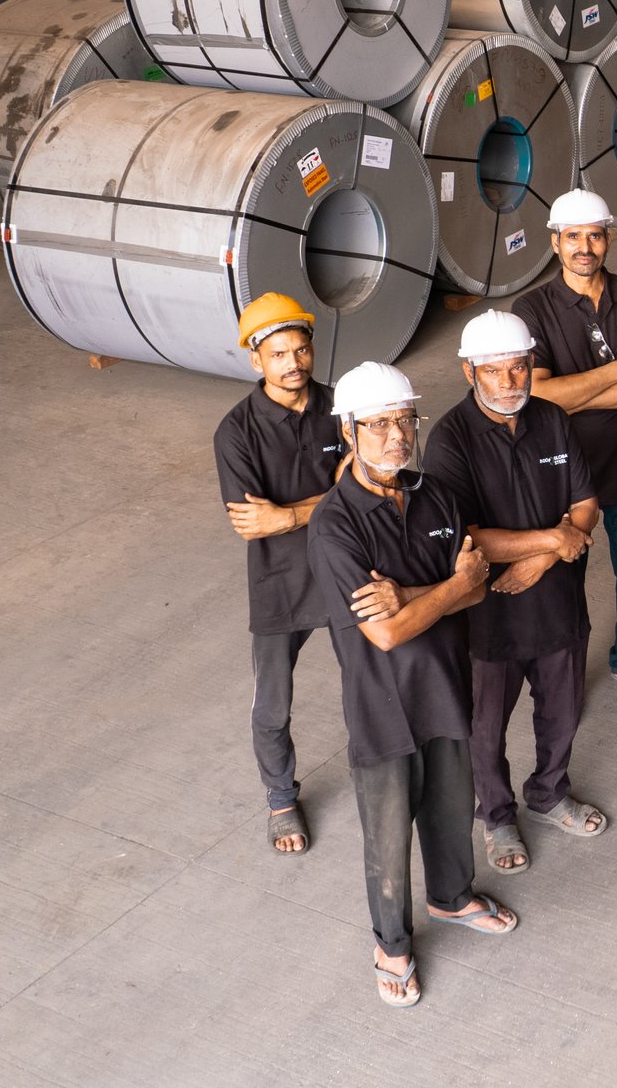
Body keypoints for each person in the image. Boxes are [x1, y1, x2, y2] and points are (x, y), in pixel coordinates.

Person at [306, 362, 517, 1008]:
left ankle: (452, 897)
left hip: (446, 685)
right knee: (389, 835)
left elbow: (479, 582)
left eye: (405, 420)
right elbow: (387, 634)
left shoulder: (436, 495)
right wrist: (448, 588)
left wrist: (419, 594)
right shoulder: (335, 523)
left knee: (453, 809)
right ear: (349, 430)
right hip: (382, 706)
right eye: (379, 424)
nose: (397, 436)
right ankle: (391, 945)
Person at [423, 310, 606, 877]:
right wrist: (552, 537)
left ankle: (550, 794)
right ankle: (497, 814)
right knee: (485, 726)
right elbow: (464, 535)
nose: (509, 382)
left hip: (556, 600)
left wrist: (545, 554)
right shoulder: (449, 439)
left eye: (519, 367)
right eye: (494, 370)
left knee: (563, 710)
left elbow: (585, 507)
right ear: (468, 371)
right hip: (487, 616)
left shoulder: (552, 419)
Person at [515, 189, 617, 709]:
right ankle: (563, 674)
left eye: (595, 235)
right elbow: (537, 395)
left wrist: (575, 394)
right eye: (573, 237)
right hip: (564, 474)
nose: (585, 246)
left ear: (608, 238)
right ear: (555, 243)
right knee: (566, 577)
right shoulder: (532, 308)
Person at [211, 293, 343, 856]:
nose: (294, 362)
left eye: (301, 349)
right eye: (279, 353)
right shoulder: (235, 433)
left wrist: (290, 512)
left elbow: (376, 492)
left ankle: (388, 770)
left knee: (376, 681)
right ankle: (281, 798)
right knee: (272, 705)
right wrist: (334, 498)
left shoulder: (343, 405)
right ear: (255, 361)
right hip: (280, 582)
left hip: (346, 569)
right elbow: (252, 525)